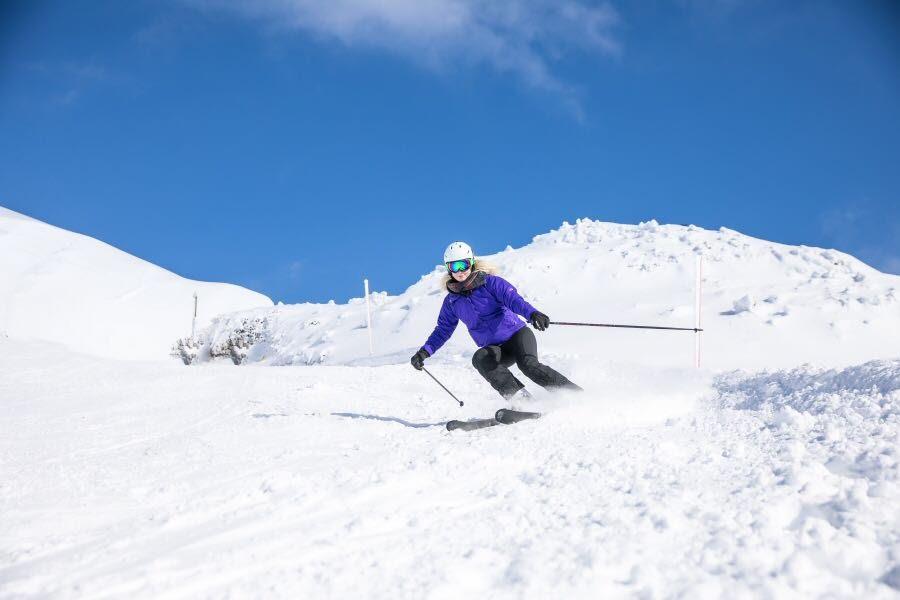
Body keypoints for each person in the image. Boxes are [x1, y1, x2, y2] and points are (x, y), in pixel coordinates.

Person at [410, 241, 581, 401]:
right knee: (481, 358)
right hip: (497, 349)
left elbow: (513, 299)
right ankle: (522, 401)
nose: (460, 270)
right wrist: (424, 352)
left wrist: (532, 314)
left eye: (464, 264)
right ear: (449, 269)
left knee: (528, 364)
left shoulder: (490, 283)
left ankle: (571, 394)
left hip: (517, 335)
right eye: (455, 266)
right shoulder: (451, 302)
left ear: (472, 263)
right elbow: (443, 330)